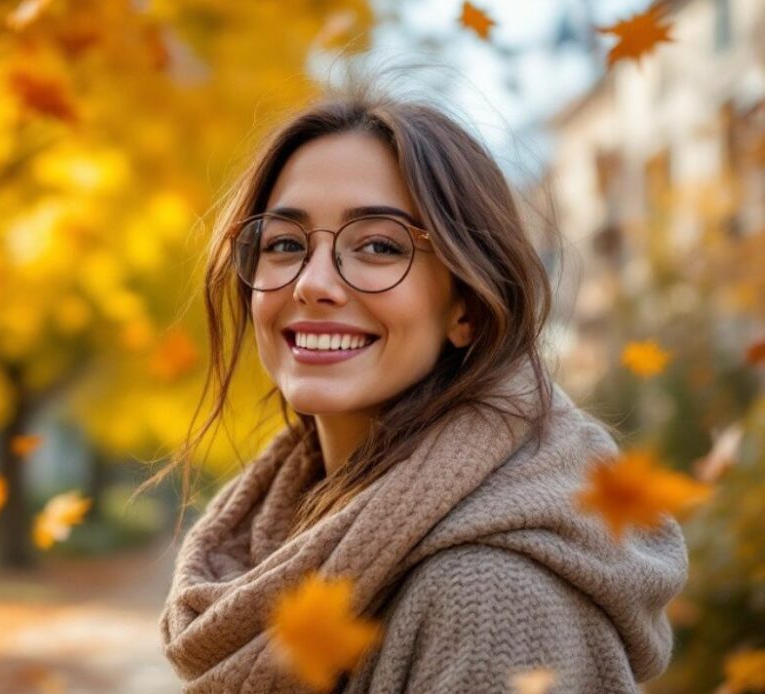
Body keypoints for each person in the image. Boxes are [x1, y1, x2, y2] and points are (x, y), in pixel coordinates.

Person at [150, 87, 689, 693]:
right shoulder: (292, 531)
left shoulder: (491, 600)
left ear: (468, 308)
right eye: (285, 244)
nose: (314, 283)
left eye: (379, 245)